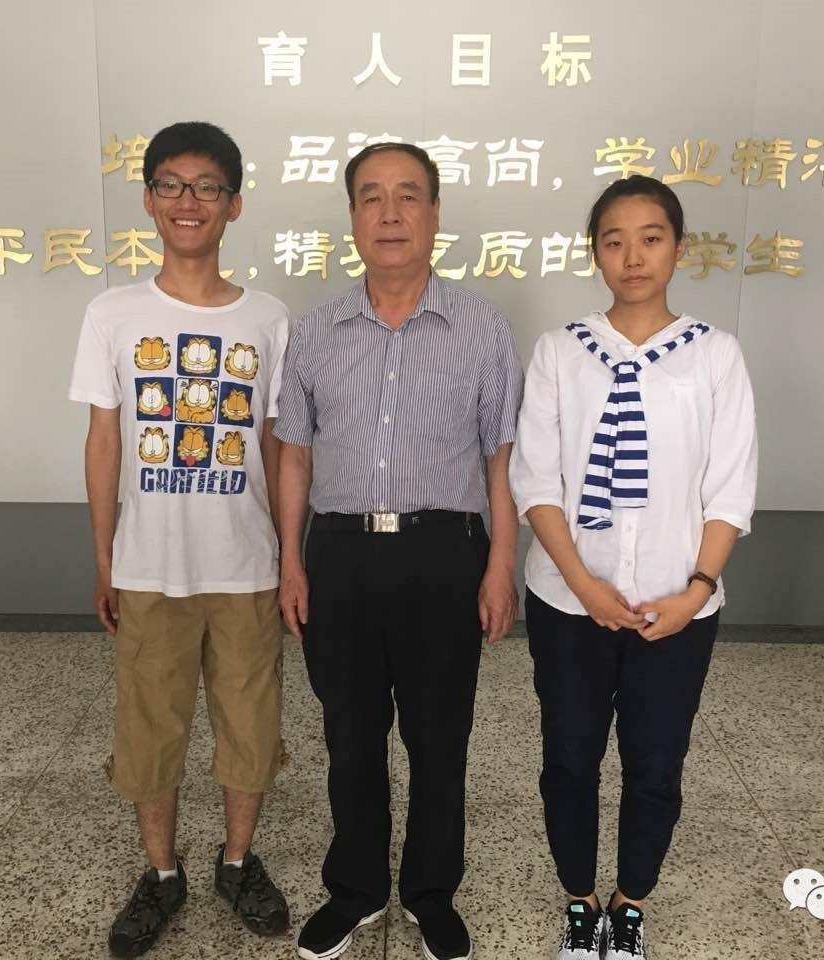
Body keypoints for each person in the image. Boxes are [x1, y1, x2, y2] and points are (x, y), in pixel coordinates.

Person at [275, 142, 524, 960]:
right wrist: (290, 562)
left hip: (444, 555)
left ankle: (430, 892)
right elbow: (295, 456)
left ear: (435, 213)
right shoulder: (315, 330)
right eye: (372, 197)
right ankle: (354, 890)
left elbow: (501, 459)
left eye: (408, 196)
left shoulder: (482, 327)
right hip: (340, 556)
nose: (390, 214)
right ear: (352, 216)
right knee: (350, 736)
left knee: (439, 737)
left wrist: (500, 565)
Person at [509, 175, 757, 960]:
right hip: (568, 604)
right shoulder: (561, 351)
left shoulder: (715, 354)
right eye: (613, 241)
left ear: (678, 248)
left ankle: (631, 903)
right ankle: (580, 901)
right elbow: (536, 482)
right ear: (596, 254)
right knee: (568, 760)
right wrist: (584, 586)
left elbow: (730, 487)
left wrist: (696, 590)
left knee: (655, 764)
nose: (633, 256)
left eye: (651, 238)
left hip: (675, 610)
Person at [68, 120, 291, 958]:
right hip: (149, 564)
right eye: (170, 184)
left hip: (246, 564)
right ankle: (162, 874)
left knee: (250, 727)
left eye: (206, 186)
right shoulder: (113, 312)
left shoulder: (269, 318)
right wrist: (105, 557)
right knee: (149, 729)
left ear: (234, 203)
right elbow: (103, 440)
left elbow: (279, 448)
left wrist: (291, 557)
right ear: (149, 199)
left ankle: (237, 861)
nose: (187, 201)